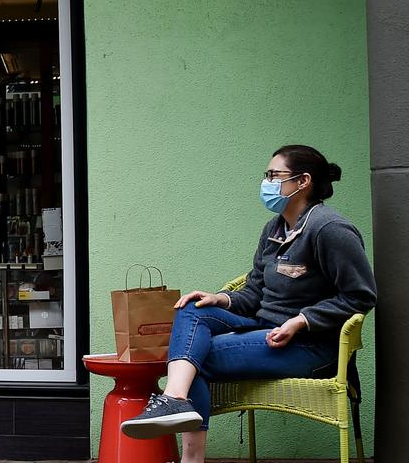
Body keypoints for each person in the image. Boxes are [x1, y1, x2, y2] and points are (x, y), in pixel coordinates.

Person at [120, 145, 376, 463]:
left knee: (191, 358)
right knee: (192, 310)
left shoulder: (329, 229)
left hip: (309, 346)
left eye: (274, 175)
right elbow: (254, 293)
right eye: (266, 175)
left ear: (303, 181)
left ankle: (188, 450)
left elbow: (360, 296)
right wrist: (221, 298)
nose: (266, 182)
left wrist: (301, 321)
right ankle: (176, 400)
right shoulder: (274, 229)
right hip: (263, 327)